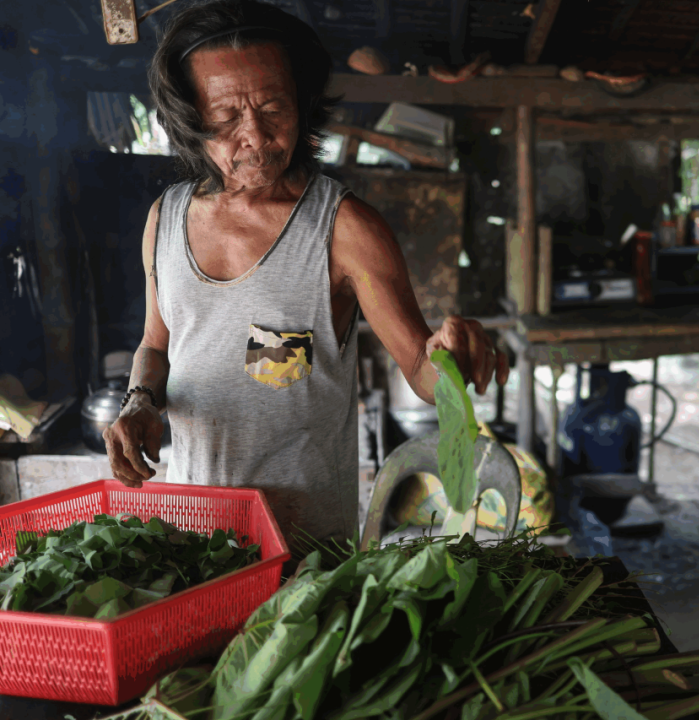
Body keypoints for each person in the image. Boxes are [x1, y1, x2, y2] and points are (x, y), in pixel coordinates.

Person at [102, 0, 508, 546]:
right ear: (190, 119)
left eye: (274, 108)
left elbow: (420, 368)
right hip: (195, 537)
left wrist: (449, 362)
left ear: (303, 104)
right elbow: (156, 346)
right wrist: (140, 402)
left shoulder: (344, 229)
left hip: (308, 552)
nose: (256, 137)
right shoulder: (166, 220)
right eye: (225, 119)